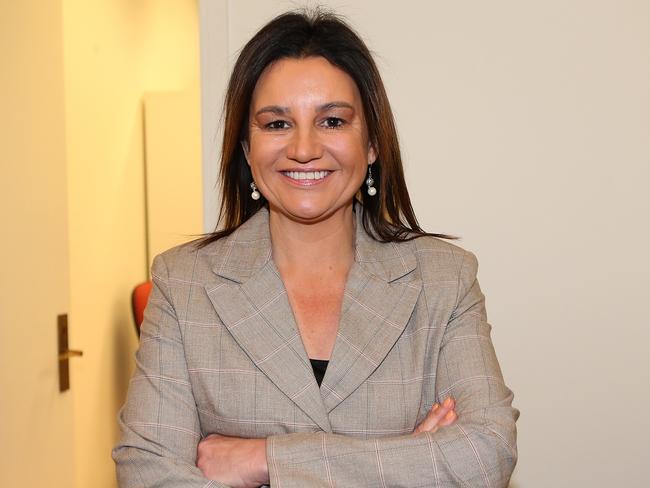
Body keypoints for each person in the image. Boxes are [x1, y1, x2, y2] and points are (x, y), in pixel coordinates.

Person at [113, 9, 519, 488]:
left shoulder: (443, 279)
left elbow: (486, 455)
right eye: (276, 124)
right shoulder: (184, 284)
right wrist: (406, 460)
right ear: (246, 148)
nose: (304, 148)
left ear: (371, 144)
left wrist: (267, 459)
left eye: (331, 120)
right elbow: (147, 472)